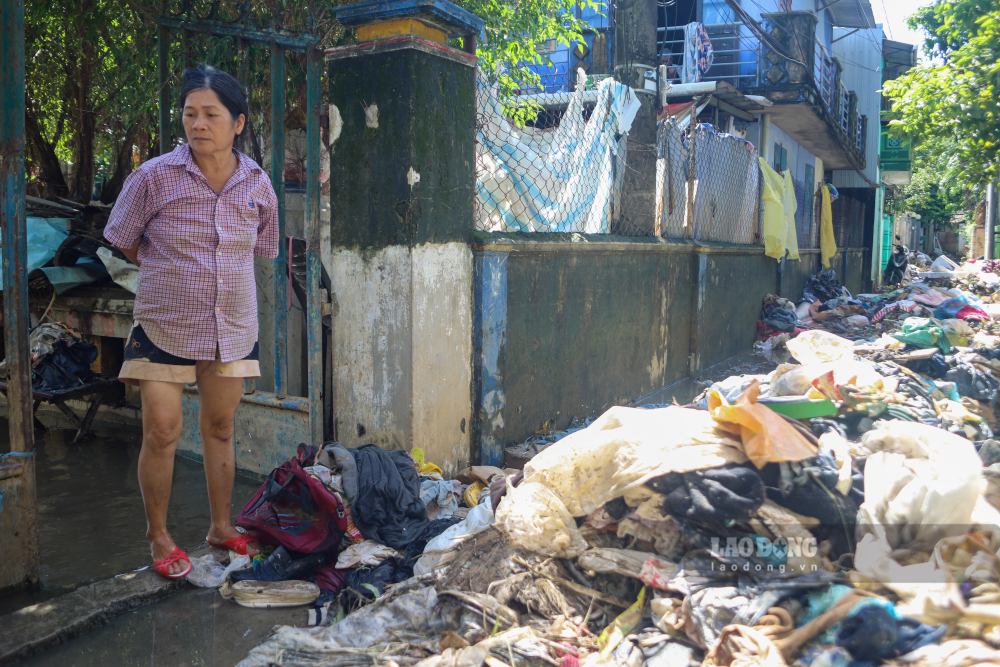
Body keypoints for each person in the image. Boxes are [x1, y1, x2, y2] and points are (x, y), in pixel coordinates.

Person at [105, 64, 278, 579]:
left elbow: (261, 250)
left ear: (238, 123)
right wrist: (170, 273)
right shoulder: (153, 177)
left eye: (211, 115)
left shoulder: (258, 184)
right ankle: (158, 536)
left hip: (233, 327)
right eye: (190, 114)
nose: (198, 124)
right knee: (161, 430)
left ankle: (221, 527)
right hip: (165, 325)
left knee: (220, 427)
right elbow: (123, 240)